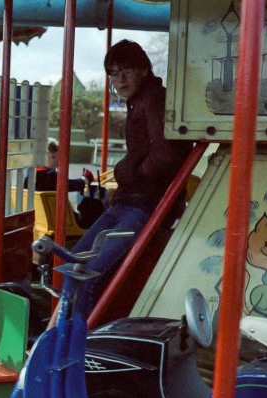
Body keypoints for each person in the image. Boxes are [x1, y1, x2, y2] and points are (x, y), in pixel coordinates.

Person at [47, 40, 193, 328]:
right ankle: (60, 335)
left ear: (143, 70)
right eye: (113, 73)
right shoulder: (140, 99)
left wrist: (130, 171)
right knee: (76, 262)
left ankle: (79, 343)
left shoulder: (154, 100)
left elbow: (167, 156)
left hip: (145, 203)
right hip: (129, 201)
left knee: (88, 270)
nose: (119, 80)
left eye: (125, 71)